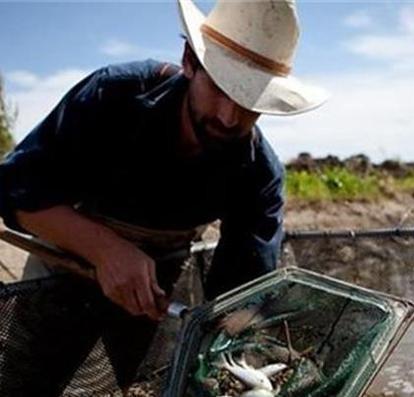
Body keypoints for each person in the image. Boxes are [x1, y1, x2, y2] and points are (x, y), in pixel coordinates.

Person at [0, 0, 327, 395]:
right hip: (63, 262)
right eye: (221, 88)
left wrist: (229, 334)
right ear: (190, 61)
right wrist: (107, 251)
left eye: (250, 104)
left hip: (155, 282)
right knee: (27, 377)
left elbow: (242, 284)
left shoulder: (259, 175)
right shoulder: (114, 95)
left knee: (116, 376)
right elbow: (17, 190)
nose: (229, 117)